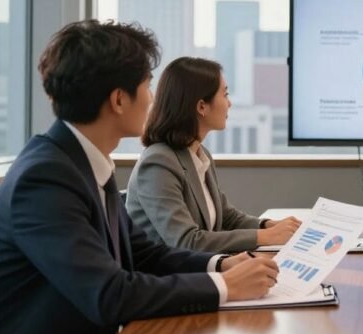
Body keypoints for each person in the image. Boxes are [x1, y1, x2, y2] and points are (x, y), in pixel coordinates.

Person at [0, 20, 279, 334]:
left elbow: (146, 253)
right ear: (119, 99)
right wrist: (224, 286)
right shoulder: (45, 178)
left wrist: (221, 265)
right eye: (147, 85)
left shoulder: (83, 161)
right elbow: (109, 294)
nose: (152, 98)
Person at [126, 57, 301, 252]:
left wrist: (269, 225)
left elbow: (227, 216)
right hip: (167, 277)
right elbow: (187, 241)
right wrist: (264, 237)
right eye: (225, 95)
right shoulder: (158, 163)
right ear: (201, 107)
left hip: (199, 268)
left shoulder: (198, 154)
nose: (230, 103)